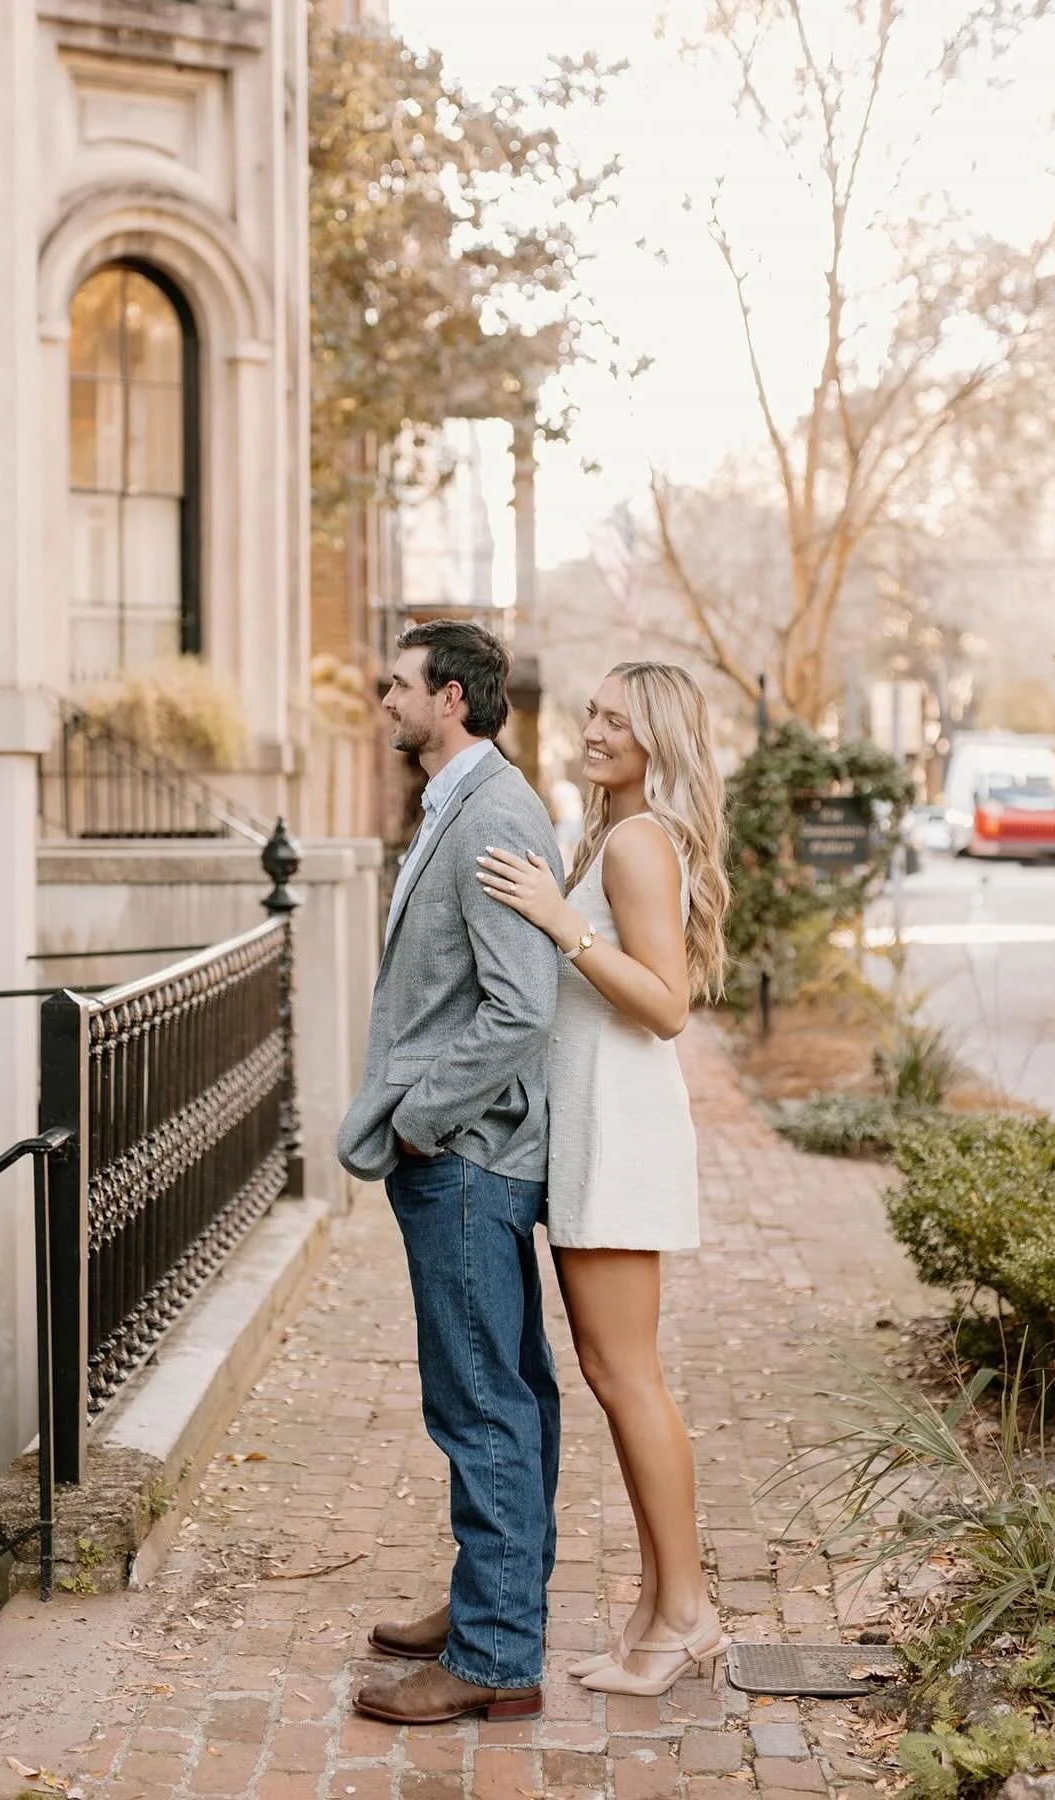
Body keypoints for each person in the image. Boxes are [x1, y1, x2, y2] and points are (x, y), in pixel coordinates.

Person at [476, 660, 732, 1696]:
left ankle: (688, 1614)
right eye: (592, 712)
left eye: (617, 720)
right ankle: (659, 1609)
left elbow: (667, 1006)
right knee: (614, 1371)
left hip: (621, 1129)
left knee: (627, 1376)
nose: (593, 730)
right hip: (601, 1127)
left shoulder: (635, 842)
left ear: (657, 740)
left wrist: (560, 920)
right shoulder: (618, 834)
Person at [337, 619, 565, 1727]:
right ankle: (493, 1604)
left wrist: (423, 1122)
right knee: (503, 1391)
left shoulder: (496, 815)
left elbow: (522, 1009)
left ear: (452, 700)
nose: (384, 698)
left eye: (399, 684)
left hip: (468, 1159)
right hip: (464, 1158)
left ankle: (495, 1656)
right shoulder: (457, 805)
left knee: (480, 1403)